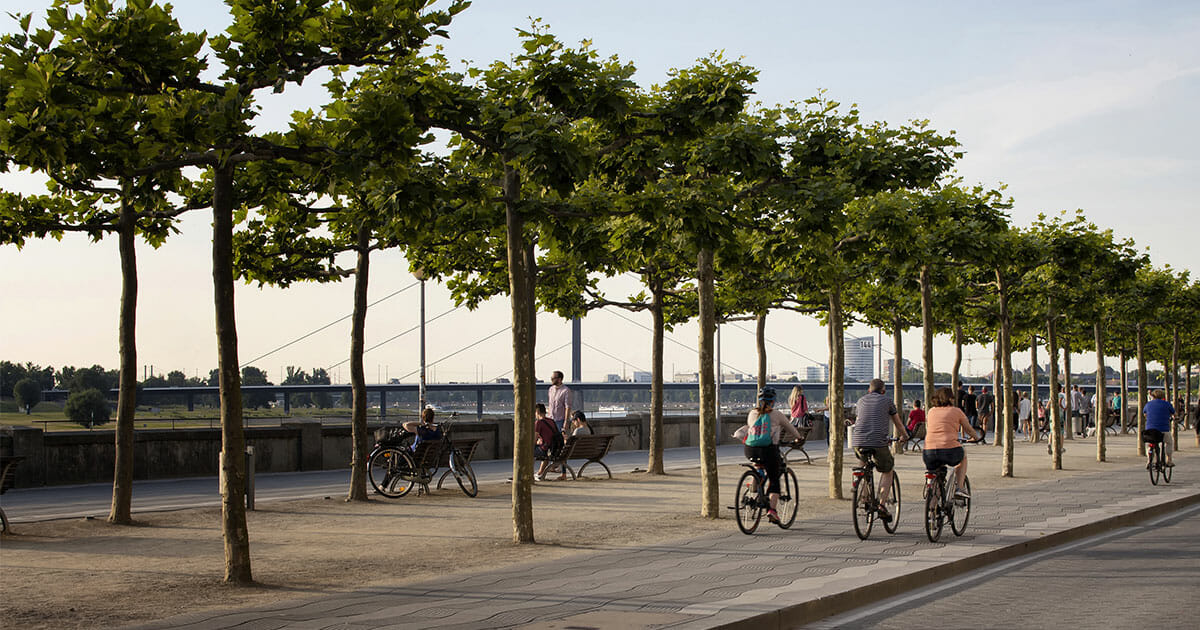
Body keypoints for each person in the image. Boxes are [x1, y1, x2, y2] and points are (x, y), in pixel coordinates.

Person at [732, 387, 804, 525]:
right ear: (774, 401)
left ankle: (755, 484)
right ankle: (772, 510)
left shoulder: (752, 413)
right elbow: (791, 429)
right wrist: (799, 438)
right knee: (774, 478)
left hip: (750, 449)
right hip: (768, 450)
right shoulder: (777, 414)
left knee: (759, 465)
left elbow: (752, 429)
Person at [850, 379, 908, 522]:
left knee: (862, 461)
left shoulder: (861, 401)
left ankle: (861, 491)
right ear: (883, 391)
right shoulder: (887, 401)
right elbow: (897, 422)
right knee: (887, 470)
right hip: (878, 442)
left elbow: (859, 419)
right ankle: (881, 505)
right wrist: (904, 436)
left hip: (857, 441)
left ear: (869, 390)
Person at [924, 387, 980, 499]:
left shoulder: (931, 411)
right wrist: (976, 437)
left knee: (937, 473)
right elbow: (968, 429)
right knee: (963, 456)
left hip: (928, 452)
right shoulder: (956, 411)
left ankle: (932, 509)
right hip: (950, 450)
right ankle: (959, 488)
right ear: (950, 398)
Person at [1143, 389, 1175, 468]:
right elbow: (1174, 414)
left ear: (1152, 396)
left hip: (1150, 430)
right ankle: (1169, 460)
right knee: (1169, 442)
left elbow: (1145, 414)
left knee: (1148, 444)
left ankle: (1149, 460)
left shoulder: (1148, 404)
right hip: (1163, 430)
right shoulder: (1167, 404)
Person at [534, 403, 565, 481]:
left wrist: (537, 442)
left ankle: (528, 473)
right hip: (553, 449)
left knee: (528, 452)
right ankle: (540, 473)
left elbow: (534, 440)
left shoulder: (538, 423)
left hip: (547, 450)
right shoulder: (551, 421)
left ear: (537, 412)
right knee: (544, 449)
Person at [547, 370, 573, 434]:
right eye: (551, 378)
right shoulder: (551, 389)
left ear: (559, 379)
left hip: (560, 420)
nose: (551, 379)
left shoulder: (566, 391)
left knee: (559, 439)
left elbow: (568, 407)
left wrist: (566, 422)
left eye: (553, 378)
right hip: (550, 419)